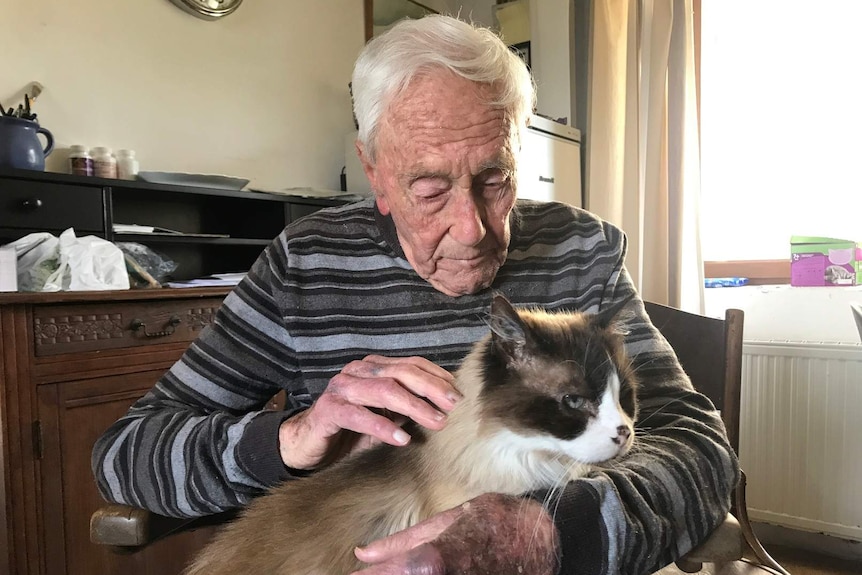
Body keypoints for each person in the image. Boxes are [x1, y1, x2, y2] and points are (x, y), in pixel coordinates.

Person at [92, 14, 739, 575]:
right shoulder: (304, 265)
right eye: (430, 190)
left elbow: (700, 451)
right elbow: (125, 453)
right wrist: (288, 440)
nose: (472, 227)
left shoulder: (580, 252)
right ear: (373, 170)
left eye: (495, 179)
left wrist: (553, 536)